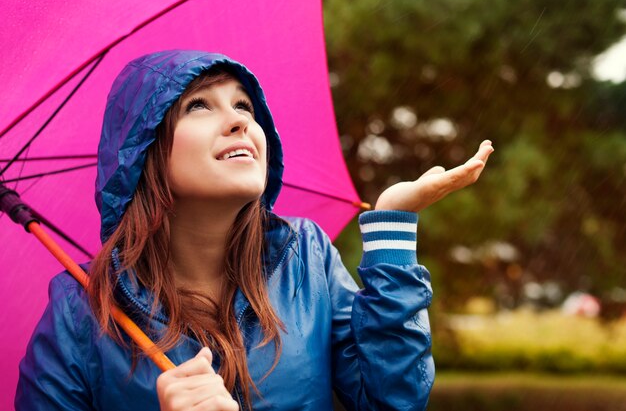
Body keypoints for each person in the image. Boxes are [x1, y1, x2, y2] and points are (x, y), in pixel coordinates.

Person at [15, 50, 493, 411]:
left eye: (244, 104)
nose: (240, 120)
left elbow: (393, 400)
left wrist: (392, 225)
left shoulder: (306, 259)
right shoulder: (81, 311)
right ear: (144, 148)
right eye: (199, 105)